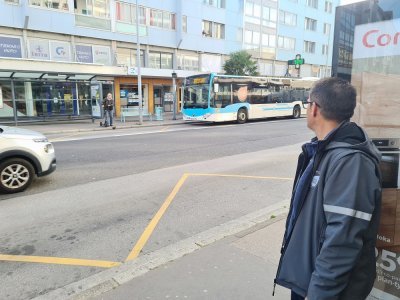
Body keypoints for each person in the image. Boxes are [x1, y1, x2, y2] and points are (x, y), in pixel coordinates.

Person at [274, 77, 382, 300]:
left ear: (314, 108)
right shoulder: (324, 150)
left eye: (307, 103)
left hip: (324, 288)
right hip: (309, 279)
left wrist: (318, 294)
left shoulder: (351, 162)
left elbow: (341, 242)